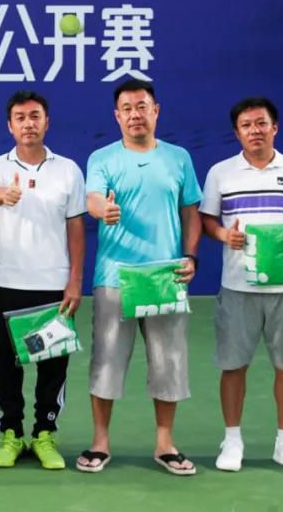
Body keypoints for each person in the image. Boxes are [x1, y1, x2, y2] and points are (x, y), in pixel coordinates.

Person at [78, 79, 201, 476]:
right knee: (106, 362)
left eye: (142, 106)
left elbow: (191, 212)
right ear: (117, 116)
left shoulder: (179, 158)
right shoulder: (102, 158)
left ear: (156, 110)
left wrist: (191, 256)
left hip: (164, 277)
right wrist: (103, 210)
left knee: (169, 363)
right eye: (127, 108)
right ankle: (100, 442)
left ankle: (165, 444)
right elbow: (93, 198)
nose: (135, 114)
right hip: (115, 276)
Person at [200, 97, 283, 475]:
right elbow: (207, 220)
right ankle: (232, 440)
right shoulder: (221, 173)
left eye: (261, 123)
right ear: (237, 132)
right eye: (246, 125)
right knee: (233, 366)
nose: (254, 130)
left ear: (275, 127)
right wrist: (225, 234)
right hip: (238, 287)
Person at [0, 91, 85, 471]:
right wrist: (3, 194)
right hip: (7, 282)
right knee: (9, 366)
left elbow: (76, 227)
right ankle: (11, 432)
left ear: (46, 122)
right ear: (10, 126)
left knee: (52, 366)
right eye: (20, 118)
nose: (28, 123)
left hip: (54, 285)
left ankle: (44, 434)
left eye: (35, 116)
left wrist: (75, 280)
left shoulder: (68, 170)